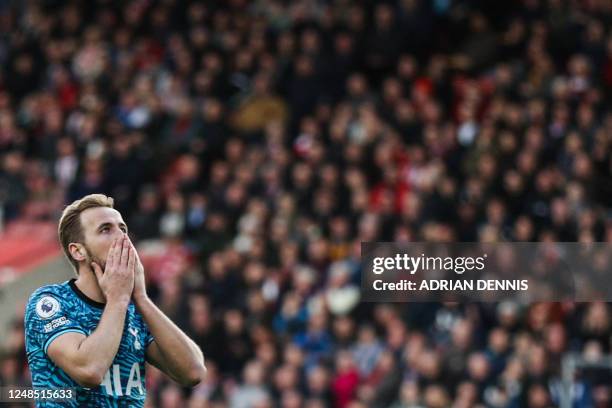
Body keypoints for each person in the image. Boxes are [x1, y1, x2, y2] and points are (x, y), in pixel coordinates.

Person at [24, 194, 206, 407]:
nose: (122, 238)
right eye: (105, 229)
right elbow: (89, 370)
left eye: (123, 229)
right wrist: (118, 299)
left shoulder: (135, 310)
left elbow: (192, 373)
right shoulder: (50, 301)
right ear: (78, 251)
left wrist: (141, 298)